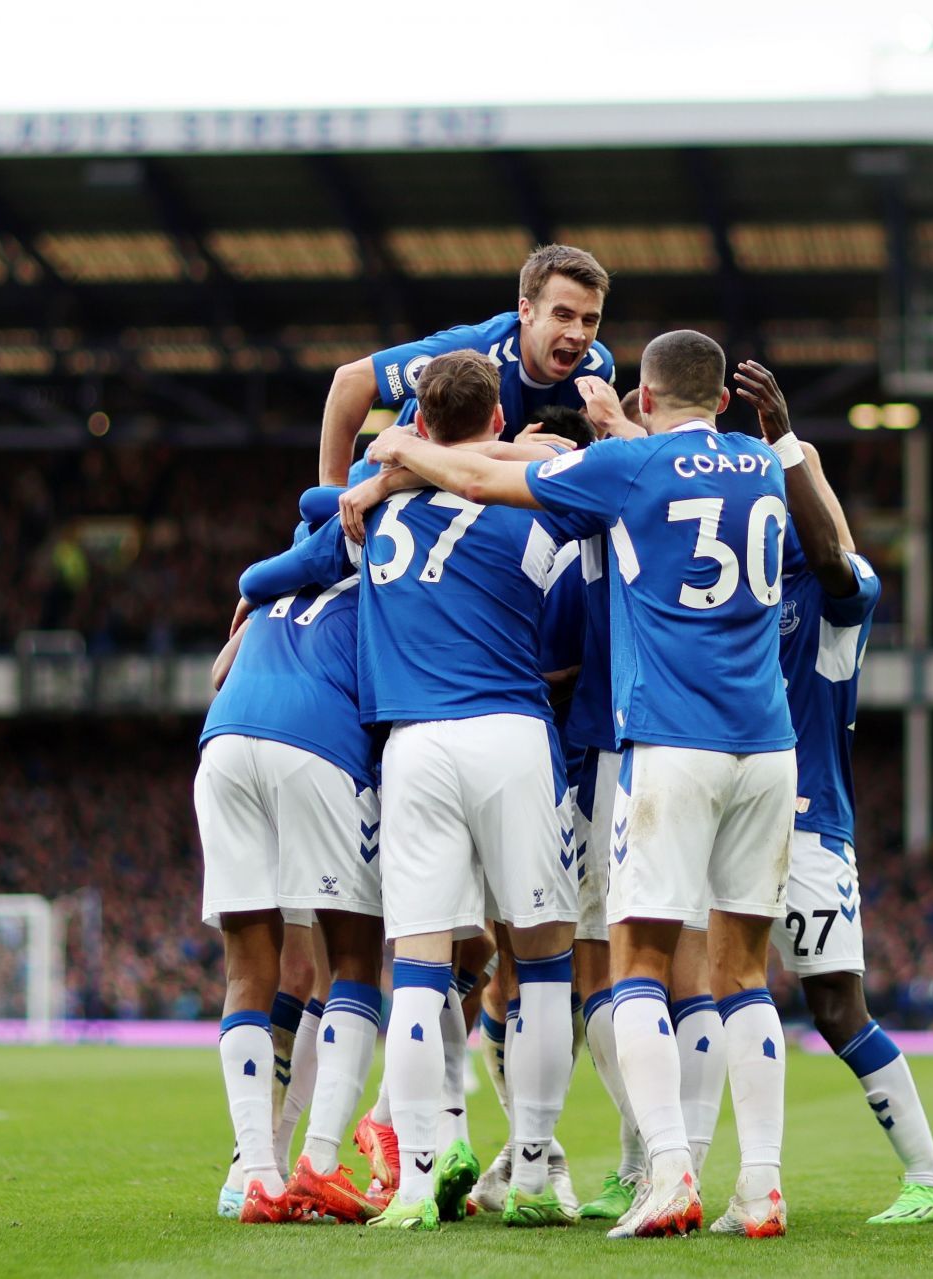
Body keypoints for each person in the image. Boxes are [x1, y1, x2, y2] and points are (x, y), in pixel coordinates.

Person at [364, 329, 797, 1240]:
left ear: (642, 397)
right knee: (740, 973)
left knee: (628, 962)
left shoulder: (628, 473)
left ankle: (664, 1170)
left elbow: (485, 480)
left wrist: (399, 450)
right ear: (722, 400)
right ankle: (757, 1185)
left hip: (668, 741)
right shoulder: (761, 464)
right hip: (769, 742)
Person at [241, 350, 581, 1231]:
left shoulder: (371, 512)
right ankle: (537, 1166)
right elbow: (564, 630)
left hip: (414, 748)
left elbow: (306, 528)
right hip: (510, 731)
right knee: (541, 961)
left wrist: (382, 469)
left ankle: (420, 1176)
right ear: (500, 422)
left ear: (417, 426)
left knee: (420, 971)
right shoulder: (539, 505)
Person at [735, 359, 933, 1226]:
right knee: (697, 983)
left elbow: (829, 549)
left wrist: (786, 439)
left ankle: (931, 1179)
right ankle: (673, 1172)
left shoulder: (842, 590)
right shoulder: (748, 592)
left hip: (807, 824)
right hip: (731, 809)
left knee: (835, 1006)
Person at [197, 560, 385, 1225]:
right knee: (356, 962)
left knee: (255, 969)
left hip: (224, 742)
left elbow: (219, 671)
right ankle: (319, 1162)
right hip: (315, 743)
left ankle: (256, 1172)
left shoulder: (279, 586)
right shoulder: (394, 584)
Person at [316, 245, 614, 486]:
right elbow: (352, 380)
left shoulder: (597, 369)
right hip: (377, 491)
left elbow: (576, 464)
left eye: (590, 320)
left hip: (473, 499)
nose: (578, 334)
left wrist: (519, 454)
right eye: (563, 315)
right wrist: (331, 491)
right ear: (526, 311)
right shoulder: (473, 350)